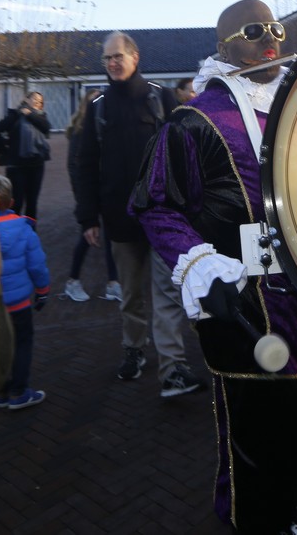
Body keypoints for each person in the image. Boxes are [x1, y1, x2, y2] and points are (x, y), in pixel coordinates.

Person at [133, 0, 297, 535]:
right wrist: (199, 263)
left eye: (275, 28)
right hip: (250, 309)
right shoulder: (195, 120)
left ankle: (285, 511)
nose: (270, 39)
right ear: (224, 46)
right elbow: (156, 204)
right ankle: (255, 521)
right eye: (253, 30)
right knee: (257, 438)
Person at [74, 32, 201, 397]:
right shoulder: (98, 106)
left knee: (167, 293)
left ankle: (173, 368)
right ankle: (134, 348)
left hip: (162, 217)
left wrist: (188, 206)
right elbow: (85, 164)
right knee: (131, 294)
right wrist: (88, 217)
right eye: (107, 58)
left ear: (135, 56)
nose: (112, 63)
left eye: (118, 55)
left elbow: (184, 151)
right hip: (119, 217)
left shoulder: (161, 97)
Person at [0, 174, 51, 410]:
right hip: (19, 303)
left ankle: (1, 390)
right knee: (22, 343)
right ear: (11, 202)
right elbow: (37, 265)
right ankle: (19, 391)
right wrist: (42, 290)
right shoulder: (23, 229)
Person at [63, 88, 120, 303]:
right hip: (90, 193)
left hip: (107, 190)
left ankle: (113, 283)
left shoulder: (106, 127)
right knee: (87, 236)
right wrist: (82, 199)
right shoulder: (80, 131)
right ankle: (73, 280)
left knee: (110, 236)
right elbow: (75, 167)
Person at [0, 91, 51, 219]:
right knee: (16, 202)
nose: (37, 102)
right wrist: (4, 150)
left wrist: (30, 114)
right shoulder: (15, 115)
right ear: (26, 99)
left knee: (32, 202)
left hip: (36, 165)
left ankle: (30, 229)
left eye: (40, 101)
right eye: (34, 99)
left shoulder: (41, 117)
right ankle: (15, 227)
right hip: (17, 166)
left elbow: (46, 128)